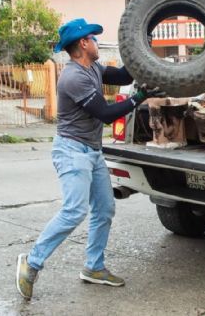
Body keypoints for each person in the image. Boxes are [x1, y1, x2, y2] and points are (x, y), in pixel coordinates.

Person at [16, 18, 163, 299]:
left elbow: (123, 76)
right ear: (83, 44)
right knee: (74, 211)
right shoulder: (74, 77)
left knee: (104, 209)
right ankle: (32, 263)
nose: (97, 42)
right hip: (72, 151)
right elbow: (105, 114)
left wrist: (141, 47)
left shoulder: (93, 67)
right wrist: (138, 98)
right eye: (94, 38)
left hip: (91, 151)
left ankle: (94, 267)